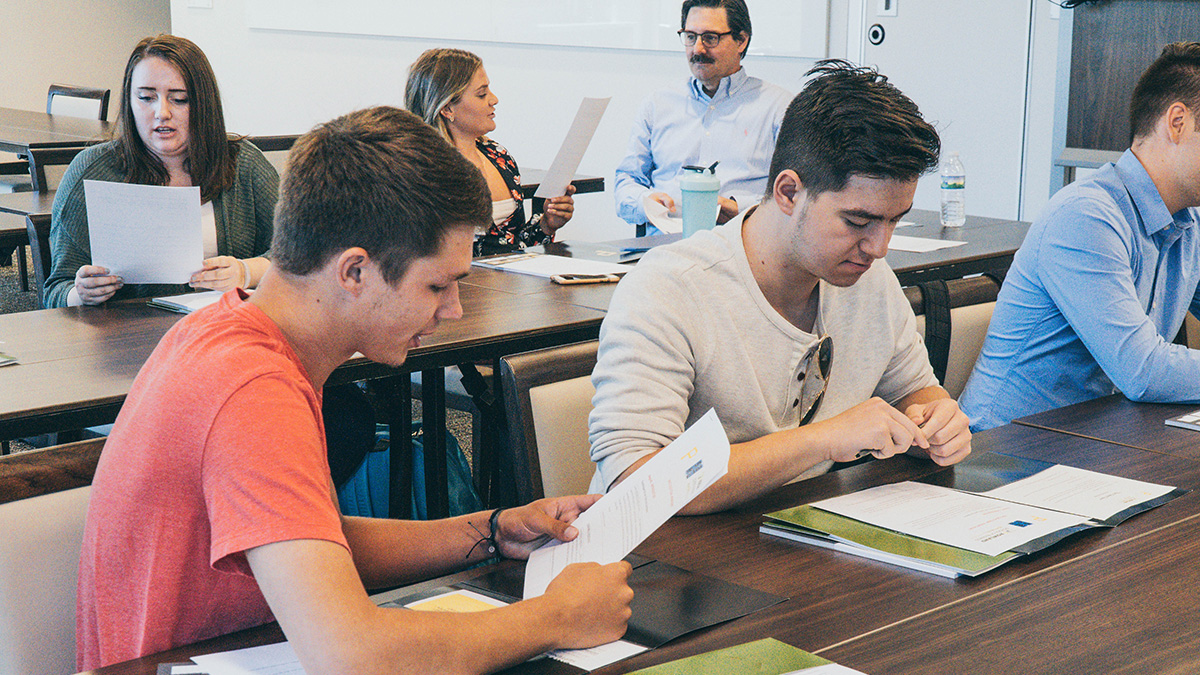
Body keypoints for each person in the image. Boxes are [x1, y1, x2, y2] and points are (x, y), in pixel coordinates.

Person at [76, 106, 633, 672]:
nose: (454, 310)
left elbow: (312, 543)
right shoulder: (253, 390)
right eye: (437, 284)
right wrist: (557, 617)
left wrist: (492, 530)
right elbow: (350, 655)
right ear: (354, 272)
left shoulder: (227, 329)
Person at [589, 60, 972, 514]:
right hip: (661, 559)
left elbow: (915, 391)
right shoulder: (670, 289)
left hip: (798, 533)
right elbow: (639, 481)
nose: (880, 247)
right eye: (858, 221)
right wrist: (822, 441)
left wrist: (938, 420)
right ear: (789, 192)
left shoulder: (868, 281)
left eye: (894, 221)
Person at [960, 42, 1200, 430]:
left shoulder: (1188, 223)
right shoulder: (1087, 216)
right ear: (1177, 122)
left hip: (1097, 439)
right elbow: (1143, 370)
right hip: (1002, 451)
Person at [44, 34, 277, 308]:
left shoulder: (244, 164)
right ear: (129, 103)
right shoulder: (92, 170)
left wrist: (245, 272)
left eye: (179, 100)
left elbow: (302, 259)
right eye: (146, 98)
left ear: (204, 105)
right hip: (124, 338)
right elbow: (55, 292)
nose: (161, 112)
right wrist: (81, 293)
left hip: (221, 329)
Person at [613, 0, 790, 231]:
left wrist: (741, 209)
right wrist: (644, 202)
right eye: (690, 36)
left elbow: (798, 194)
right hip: (660, 249)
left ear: (741, 41)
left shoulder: (778, 108)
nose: (697, 49)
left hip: (739, 247)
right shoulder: (658, 104)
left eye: (710, 38)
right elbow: (627, 180)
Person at [405, 48, 575, 257]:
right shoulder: (422, 169)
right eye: (481, 94)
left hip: (511, 285)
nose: (493, 99)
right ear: (447, 108)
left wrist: (547, 225)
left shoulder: (498, 156)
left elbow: (515, 243)